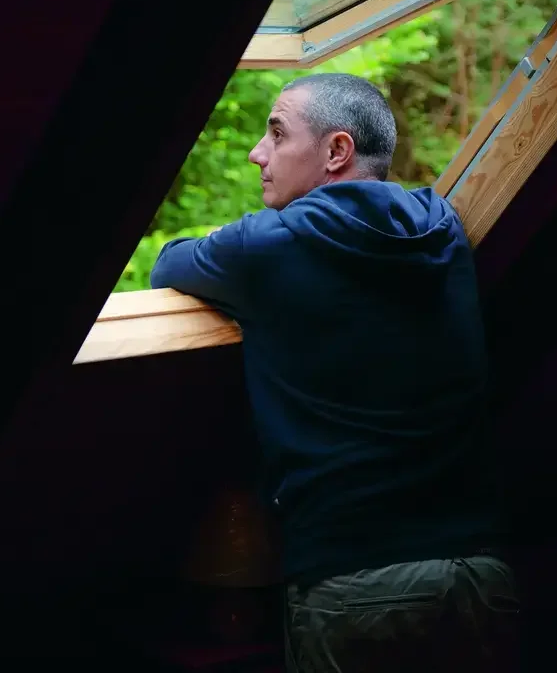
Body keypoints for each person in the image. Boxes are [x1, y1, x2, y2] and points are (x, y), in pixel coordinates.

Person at [150, 73, 519, 671]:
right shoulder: (443, 226)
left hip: (353, 585)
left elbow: (167, 266)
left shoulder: (266, 249)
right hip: (480, 574)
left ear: (336, 151)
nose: (257, 153)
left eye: (276, 132)